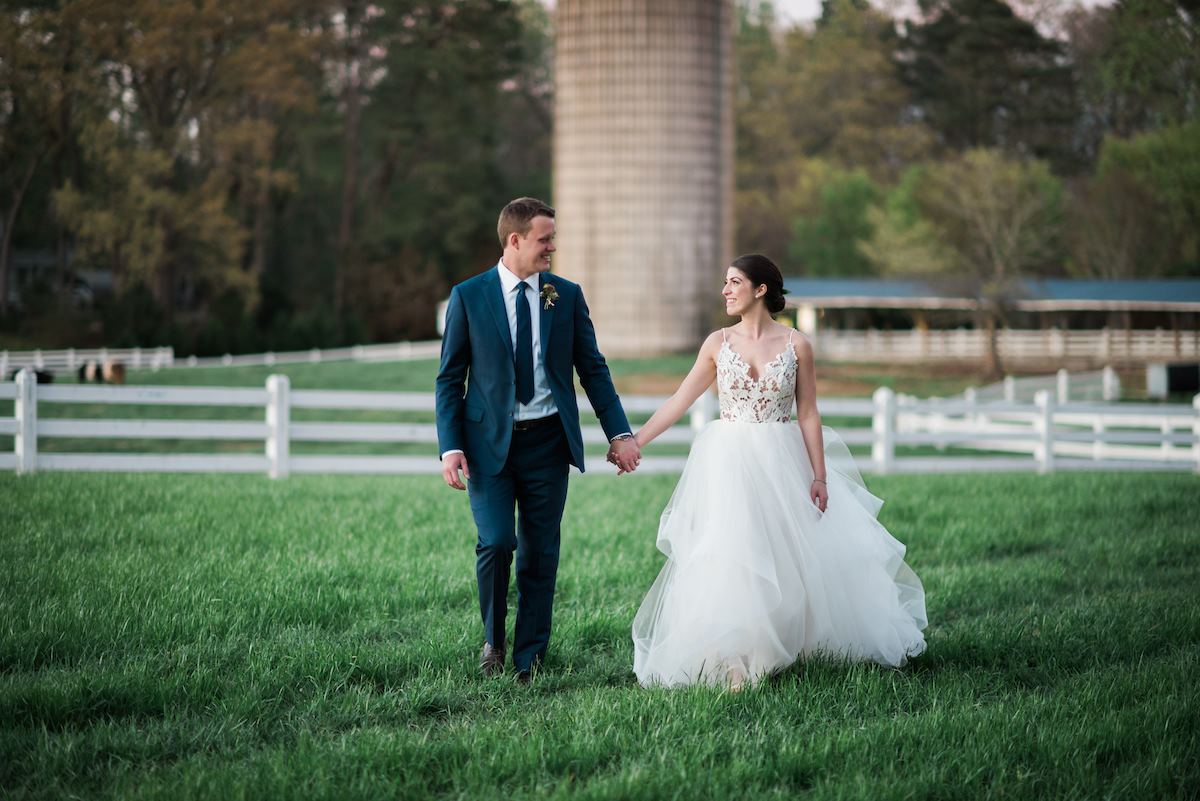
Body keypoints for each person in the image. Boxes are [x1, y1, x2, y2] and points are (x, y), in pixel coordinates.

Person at [629, 254, 927, 689]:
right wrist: (636, 441)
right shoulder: (716, 343)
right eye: (725, 283)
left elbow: (808, 413)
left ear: (760, 289)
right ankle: (733, 659)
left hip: (781, 458)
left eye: (734, 282)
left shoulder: (797, 344)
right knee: (733, 554)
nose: (726, 290)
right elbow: (680, 399)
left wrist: (819, 476)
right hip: (729, 460)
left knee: (785, 556)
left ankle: (781, 644)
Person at [436, 197, 641, 684]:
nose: (553, 247)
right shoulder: (468, 296)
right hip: (489, 446)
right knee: (497, 542)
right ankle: (493, 640)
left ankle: (529, 659)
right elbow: (449, 379)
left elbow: (592, 369)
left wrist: (620, 432)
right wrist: (451, 445)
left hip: (549, 443)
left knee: (540, 552)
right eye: (545, 239)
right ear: (516, 240)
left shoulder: (564, 295)